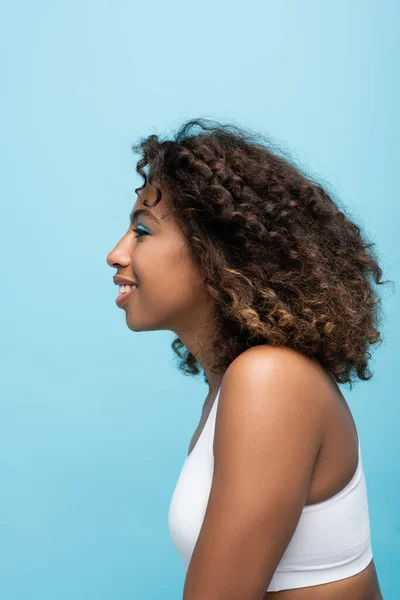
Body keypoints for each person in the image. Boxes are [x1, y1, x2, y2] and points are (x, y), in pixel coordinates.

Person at [106, 118, 386, 599]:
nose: (116, 254)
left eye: (143, 231)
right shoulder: (233, 384)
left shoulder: (271, 379)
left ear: (215, 250)